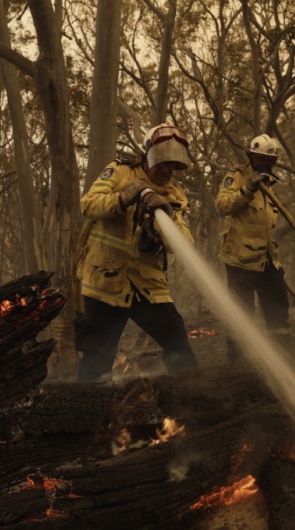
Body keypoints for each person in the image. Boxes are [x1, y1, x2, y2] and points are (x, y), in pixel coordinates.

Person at [73, 123, 200, 383]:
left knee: (179, 347)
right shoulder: (119, 172)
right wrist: (125, 197)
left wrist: (167, 213)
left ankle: (192, 403)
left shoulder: (177, 196)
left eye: (172, 165)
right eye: (162, 162)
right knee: (97, 357)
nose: (166, 170)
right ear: (147, 155)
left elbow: (183, 244)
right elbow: (88, 205)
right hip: (106, 282)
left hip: (148, 287)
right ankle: (86, 414)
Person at [215, 134, 291, 361]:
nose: (267, 165)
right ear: (251, 156)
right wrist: (246, 190)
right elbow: (221, 205)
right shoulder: (237, 177)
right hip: (241, 261)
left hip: (267, 259)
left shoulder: (269, 184)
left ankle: (284, 359)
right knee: (241, 316)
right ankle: (237, 367)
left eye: (271, 161)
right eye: (263, 160)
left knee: (278, 308)